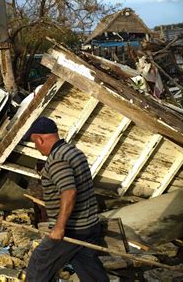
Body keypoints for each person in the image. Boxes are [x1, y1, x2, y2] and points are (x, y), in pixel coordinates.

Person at [23, 116, 109, 282]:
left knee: (39, 262)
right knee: (87, 266)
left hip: (73, 228)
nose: (36, 147)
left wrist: (59, 226)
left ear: (40, 139)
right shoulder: (73, 151)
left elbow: (69, 192)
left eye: (34, 142)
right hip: (89, 224)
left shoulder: (57, 159)